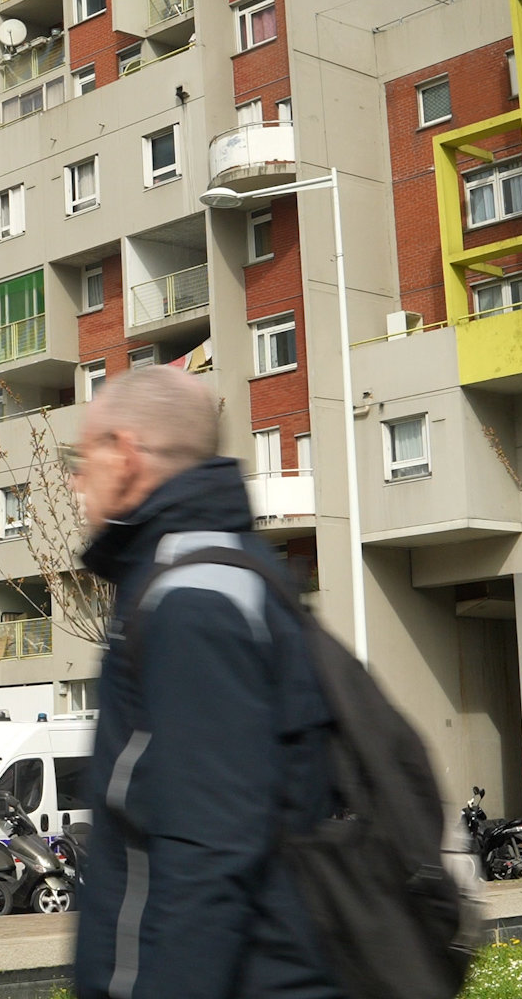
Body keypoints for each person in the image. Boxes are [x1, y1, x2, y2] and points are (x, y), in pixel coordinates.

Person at [69, 367, 338, 999]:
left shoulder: (191, 598)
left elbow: (209, 853)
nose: (78, 483)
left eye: (84, 460)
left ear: (125, 454)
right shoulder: (220, 572)